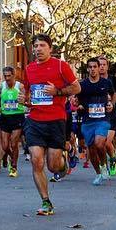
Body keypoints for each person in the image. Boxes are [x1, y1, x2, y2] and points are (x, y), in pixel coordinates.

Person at [24, 34, 80, 216]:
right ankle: (46, 201)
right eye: (35, 46)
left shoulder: (60, 66)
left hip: (56, 120)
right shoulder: (29, 69)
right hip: (35, 120)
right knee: (36, 160)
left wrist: (57, 91)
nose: (38, 49)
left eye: (42, 45)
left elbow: (76, 88)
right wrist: (25, 101)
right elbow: (29, 95)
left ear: (50, 48)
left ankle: (64, 160)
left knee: (53, 166)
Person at [78, 57, 114, 187]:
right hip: (88, 121)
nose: (93, 69)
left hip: (102, 119)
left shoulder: (106, 83)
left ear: (99, 68)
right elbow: (77, 100)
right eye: (90, 67)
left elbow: (113, 95)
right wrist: (79, 105)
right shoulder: (83, 85)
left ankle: (104, 165)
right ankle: (98, 173)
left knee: (99, 144)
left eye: (95, 67)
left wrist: (111, 104)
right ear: (88, 69)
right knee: (91, 149)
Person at [0, 65, 26, 178]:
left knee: (14, 143)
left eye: (9, 76)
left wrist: (23, 100)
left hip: (17, 116)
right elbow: (0, 100)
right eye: (5, 76)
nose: (7, 78)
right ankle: (11, 158)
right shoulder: (1, 86)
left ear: (14, 75)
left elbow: (25, 99)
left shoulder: (20, 86)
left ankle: (14, 166)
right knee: (4, 146)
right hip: (5, 117)